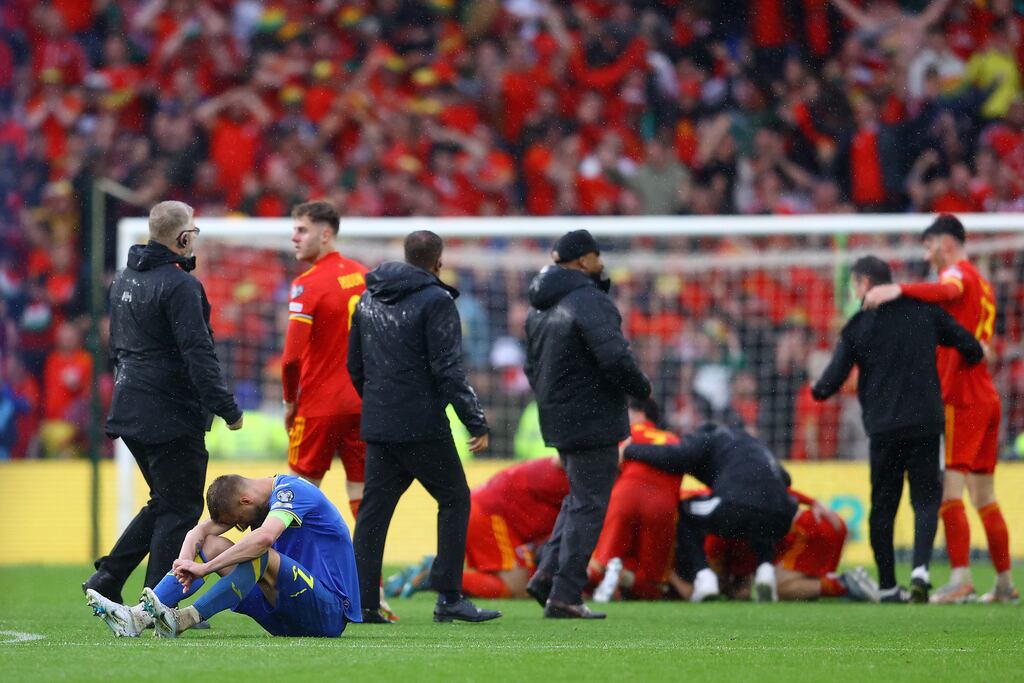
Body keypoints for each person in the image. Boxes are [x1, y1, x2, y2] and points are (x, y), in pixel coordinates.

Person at [84, 201, 243, 604]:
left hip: (129, 407)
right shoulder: (180, 286)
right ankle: (156, 600)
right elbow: (198, 353)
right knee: (181, 507)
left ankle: (109, 576)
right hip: (169, 412)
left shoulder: (122, 281)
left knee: (166, 500)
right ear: (182, 237)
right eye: (193, 230)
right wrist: (226, 407)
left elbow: (117, 347)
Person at [348, 230, 500, 624]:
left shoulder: (369, 297)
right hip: (421, 424)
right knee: (454, 499)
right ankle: (448, 596)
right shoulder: (436, 299)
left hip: (380, 422)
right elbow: (448, 369)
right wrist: (475, 421)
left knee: (374, 512)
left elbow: (355, 366)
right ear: (438, 261)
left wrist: (381, 402)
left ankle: (362, 602)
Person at [863, 216, 1016, 604]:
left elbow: (948, 289)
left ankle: (961, 578)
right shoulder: (985, 285)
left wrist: (898, 290)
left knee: (950, 490)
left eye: (928, 246)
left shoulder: (957, 274)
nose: (926, 255)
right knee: (984, 496)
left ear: (944, 243)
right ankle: (1003, 584)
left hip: (961, 397)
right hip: (987, 397)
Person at [816, 254, 984, 603]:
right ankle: (921, 569)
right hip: (926, 422)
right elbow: (967, 342)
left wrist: (816, 389)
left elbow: (830, 382)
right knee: (925, 498)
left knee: (884, 505)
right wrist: (971, 356)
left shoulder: (858, 326)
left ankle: (890, 585)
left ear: (863, 284)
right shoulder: (924, 311)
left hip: (884, 428)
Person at [524, 229, 652, 619]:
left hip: (558, 414)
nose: (602, 262)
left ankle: (547, 575)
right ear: (583, 261)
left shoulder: (538, 307)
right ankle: (565, 594)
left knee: (579, 498)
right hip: (592, 416)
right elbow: (614, 358)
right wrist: (641, 389)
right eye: (598, 255)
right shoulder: (589, 301)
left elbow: (532, 367)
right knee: (590, 504)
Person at [86, 473, 361, 638]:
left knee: (258, 550)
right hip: (284, 617)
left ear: (245, 501)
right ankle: (138, 618)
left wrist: (206, 569)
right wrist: (186, 563)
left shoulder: (293, 493)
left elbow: (264, 538)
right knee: (213, 543)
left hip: (329, 613)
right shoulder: (255, 502)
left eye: (238, 520)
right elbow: (198, 533)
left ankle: (186, 618)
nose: (240, 526)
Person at [622, 422, 797, 603]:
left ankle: (704, 578)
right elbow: (786, 478)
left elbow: (675, 456)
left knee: (685, 512)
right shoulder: (753, 443)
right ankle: (765, 570)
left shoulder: (710, 438)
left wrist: (630, 451)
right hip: (782, 513)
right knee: (761, 517)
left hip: (736, 505)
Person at [281, 200, 368, 518]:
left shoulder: (307, 284)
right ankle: (368, 569)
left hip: (319, 406)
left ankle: (291, 567)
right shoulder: (363, 275)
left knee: (295, 497)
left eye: (302, 230)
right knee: (361, 494)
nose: (295, 237)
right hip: (361, 403)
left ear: (326, 234)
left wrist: (290, 402)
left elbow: (291, 359)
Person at [387, 457, 569, 600]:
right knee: (517, 589)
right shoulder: (565, 476)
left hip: (485, 512)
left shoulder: (556, 472)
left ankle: (438, 571)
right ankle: (435, 575)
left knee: (522, 584)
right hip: (490, 516)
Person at [678, 489, 879, 603]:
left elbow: (714, 581)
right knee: (800, 590)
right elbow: (773, 486)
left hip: (808, 530)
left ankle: (843, 584)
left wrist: (729, 588)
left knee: (780, 589)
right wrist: (813, 501)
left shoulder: (714, 532)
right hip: (822, 524)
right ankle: (843, 584)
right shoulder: (724, 495)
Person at [589, 398, 682, 602]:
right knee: (653, 583)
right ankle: (623, 578)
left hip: (625, 494)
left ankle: (603, 577)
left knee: (599, 562)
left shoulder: (626, 435)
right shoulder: (673, 440)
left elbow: (605, 469)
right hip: (662, 502)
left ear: (639, 413)